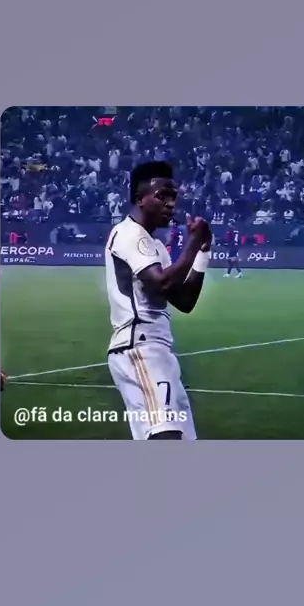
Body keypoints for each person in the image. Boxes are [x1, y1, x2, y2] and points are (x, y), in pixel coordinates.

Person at [104, 161, 212, 440]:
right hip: (139, 347)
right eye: (162, 196)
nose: (171, 204)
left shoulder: (155, 247)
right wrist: (192, 243)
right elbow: (161, 281)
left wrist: (202, 252)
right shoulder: (128, 233)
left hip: (158, 349)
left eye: (173, 197)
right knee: (166, 435)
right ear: (140, 199)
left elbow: (184, 300)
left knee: (178, 439)